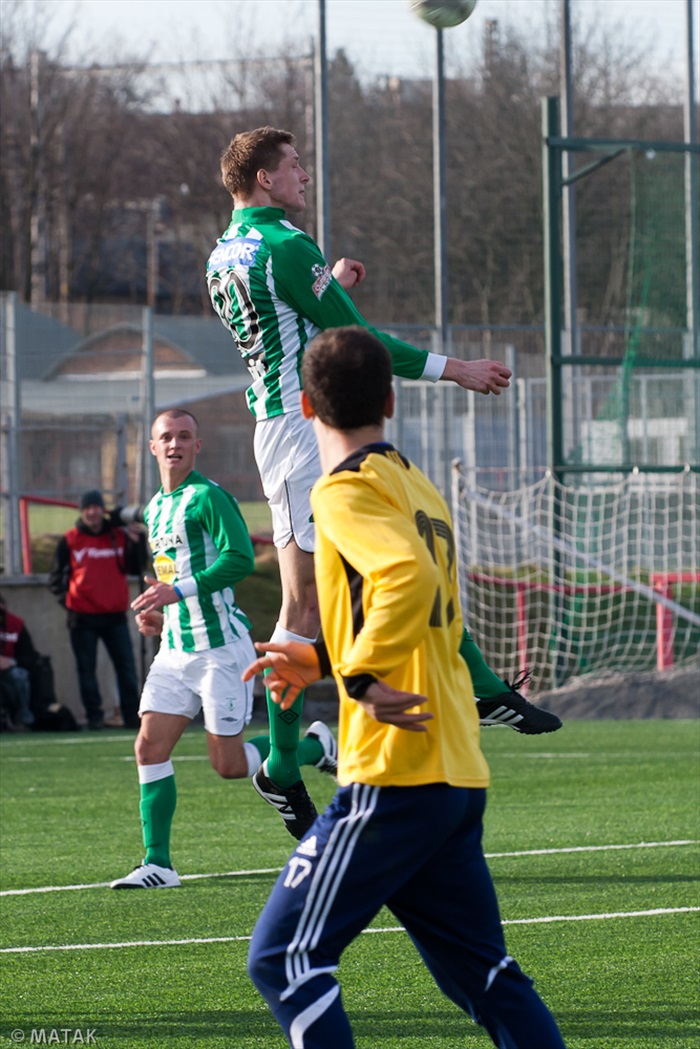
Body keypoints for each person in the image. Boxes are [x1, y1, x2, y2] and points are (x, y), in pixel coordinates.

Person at [207, 126, 560, 837]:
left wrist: (326, 285)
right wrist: (454, 368)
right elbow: (354, 345)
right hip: (312, 433)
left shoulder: (224, 252)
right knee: (402, 554)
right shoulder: (283, 245)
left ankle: (281, 762)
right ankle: (478, 690)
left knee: (305, 606)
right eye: (295, 165)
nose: (305, 174)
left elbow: (284, 327)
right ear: (265, 180)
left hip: (278, 429)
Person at [242, 327, 567, 1049]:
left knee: (283, 960)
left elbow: (404, 581)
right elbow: (418, 608)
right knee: (485, 976)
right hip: (452, 764)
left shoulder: (345, 491)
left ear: (302, 405)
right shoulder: (418, 486)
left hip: (395, 771)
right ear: (391, 400)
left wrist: (357, 675)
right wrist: (326, 661)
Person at [110, 408, 337, 889]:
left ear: (197, 446)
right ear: (152, 447)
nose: (174, 444)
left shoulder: (208, 497)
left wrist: (179, 593)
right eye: (166, 437)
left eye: (184, 436)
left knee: (228, 765)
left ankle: (318, 745)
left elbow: (239, 559)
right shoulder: (154, 508)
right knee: (148, 748)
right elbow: (175, 577)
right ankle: (159, 863)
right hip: (173, 651)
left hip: (220, 651)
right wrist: (163, 614)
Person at [48, 490, 148, 730]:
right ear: (81, 512)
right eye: (87, 508)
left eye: (96, 508)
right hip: (81, 618)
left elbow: (136, 568)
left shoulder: (118, 536)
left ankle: (130, 717)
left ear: (102, 510)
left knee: (126, 668)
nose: (92, 512)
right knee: (86, 670)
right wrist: (69, 601)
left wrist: (138, 544)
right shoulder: (70, 539)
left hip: (114, 616)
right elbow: (55, 578)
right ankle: (94, 718)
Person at [0, 594, 37, 730]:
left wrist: (11, 661)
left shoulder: (15, 624)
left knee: (20, 675)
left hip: (10, 670)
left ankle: (23, 720)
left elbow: (29, 656)